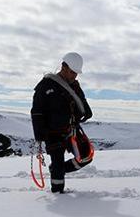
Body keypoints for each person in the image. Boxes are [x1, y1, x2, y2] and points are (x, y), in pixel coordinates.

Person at [31, 52, 93, 193]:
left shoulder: (75, 86)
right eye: (72, 72)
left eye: (76, 73)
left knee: (86, 156)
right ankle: (58, 194)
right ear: (63, 67)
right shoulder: (45, 85)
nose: (74, 76)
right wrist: (39, 134)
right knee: (58, 163)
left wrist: (87, 113)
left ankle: (57, 169)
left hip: (71, 129)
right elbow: (36, 111)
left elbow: (83, 104)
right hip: (52, 132)